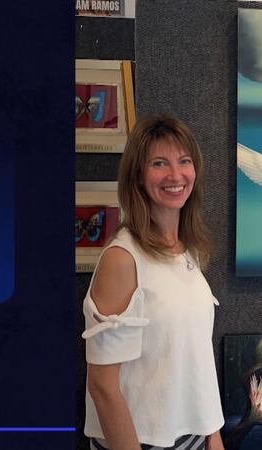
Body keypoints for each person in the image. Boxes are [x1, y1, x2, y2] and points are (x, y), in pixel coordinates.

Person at [81, 114, 224, 450]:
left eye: (184, 161)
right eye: (159, 163)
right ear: (138, 177)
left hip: (192, 436)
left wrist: (213, 435)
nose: (175, 175)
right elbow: (102, 385)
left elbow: (195, 355)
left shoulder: (186, 249)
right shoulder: (122, 259)